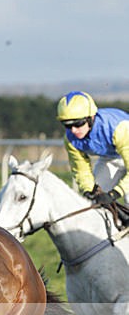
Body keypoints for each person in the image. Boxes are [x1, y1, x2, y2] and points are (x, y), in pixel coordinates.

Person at [56, 91, 129, 227]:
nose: (73, 130)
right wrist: (89, 190)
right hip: (111, 158)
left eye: (78, 123)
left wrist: (115, 193)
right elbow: (81, 169)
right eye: (67, 125)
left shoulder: (120, 128)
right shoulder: (70, 139)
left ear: (91, 117)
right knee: (93, 203)